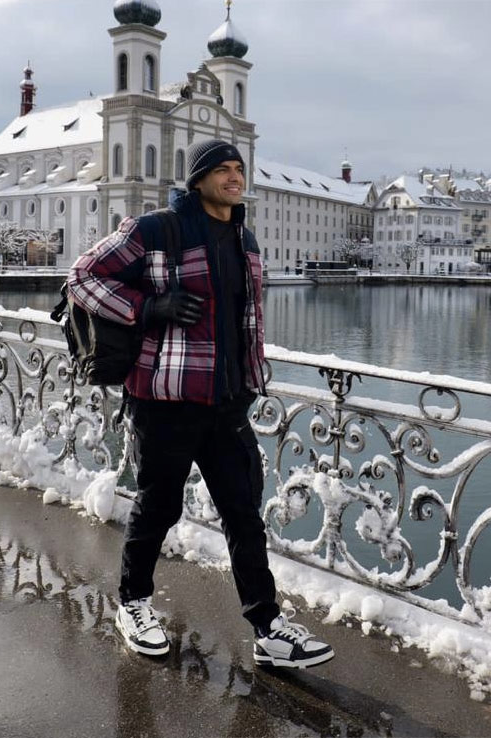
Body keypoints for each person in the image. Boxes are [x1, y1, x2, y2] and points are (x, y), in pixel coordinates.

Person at [67, 140, 333, 669]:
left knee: (243, 515)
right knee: (157, 508)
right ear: (199, 179)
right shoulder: (156, 229)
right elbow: (82, 278)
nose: (235, 178)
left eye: (239, 169)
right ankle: (134, 604)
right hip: (165, 400)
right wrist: (149, 307)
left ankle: (267, 628)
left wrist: (252, 379)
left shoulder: (245, 239)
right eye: (223, 170)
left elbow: (247, 320)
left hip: (228, 403)